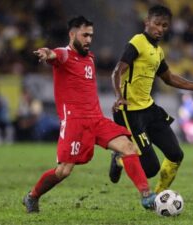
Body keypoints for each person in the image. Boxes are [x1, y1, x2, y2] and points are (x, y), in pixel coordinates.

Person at [23, 16, 156, 213]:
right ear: (72, 34)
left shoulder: (90, 58)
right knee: (63, 171)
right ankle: (32, 197)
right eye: (85, 35)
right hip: (75, 123)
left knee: (129, 147)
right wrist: (46, 53)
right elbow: (53, 54)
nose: (89, 40)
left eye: (91, 36)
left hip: (96, 119)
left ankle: (147, 196)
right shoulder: (64, 55)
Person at [109, 5, 193, 193]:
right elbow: (117, 72)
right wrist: (119, 96)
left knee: (175, 154)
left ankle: (159, 198)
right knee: (150, 169)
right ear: (147, 22)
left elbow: (170, 78)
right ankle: (119, 158)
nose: (160, 29)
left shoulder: (157, 52)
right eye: (157, 24)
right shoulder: (137, 42)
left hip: (149, 110)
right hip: (129, 112)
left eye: (164, 25)